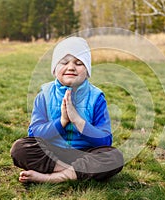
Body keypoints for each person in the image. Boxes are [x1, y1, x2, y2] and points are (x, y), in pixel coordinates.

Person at [10, 37, 124, 183]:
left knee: (114, 157)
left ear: (87, 70)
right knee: (20, 148)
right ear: (55, 68)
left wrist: (78, 121)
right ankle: (76, 172)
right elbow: (34, 133)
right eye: (64, 62)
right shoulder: (44, 96)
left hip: (85, 154)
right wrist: (62, 121)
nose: (71, 67)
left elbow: (105, 140)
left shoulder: (96, 97)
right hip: (53, 153)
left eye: (79, 63)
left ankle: (54, 177)